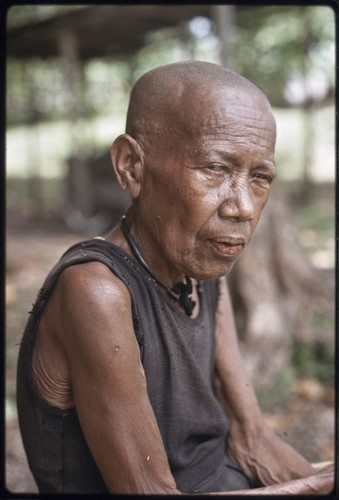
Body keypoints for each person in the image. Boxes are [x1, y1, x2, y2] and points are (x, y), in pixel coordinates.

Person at [16, 61, 334, 495]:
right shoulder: (95, 292)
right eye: (215, 169)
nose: (242, 206)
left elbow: (252, 440)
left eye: (260, 177)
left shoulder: (200, 268)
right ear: (132, 166)